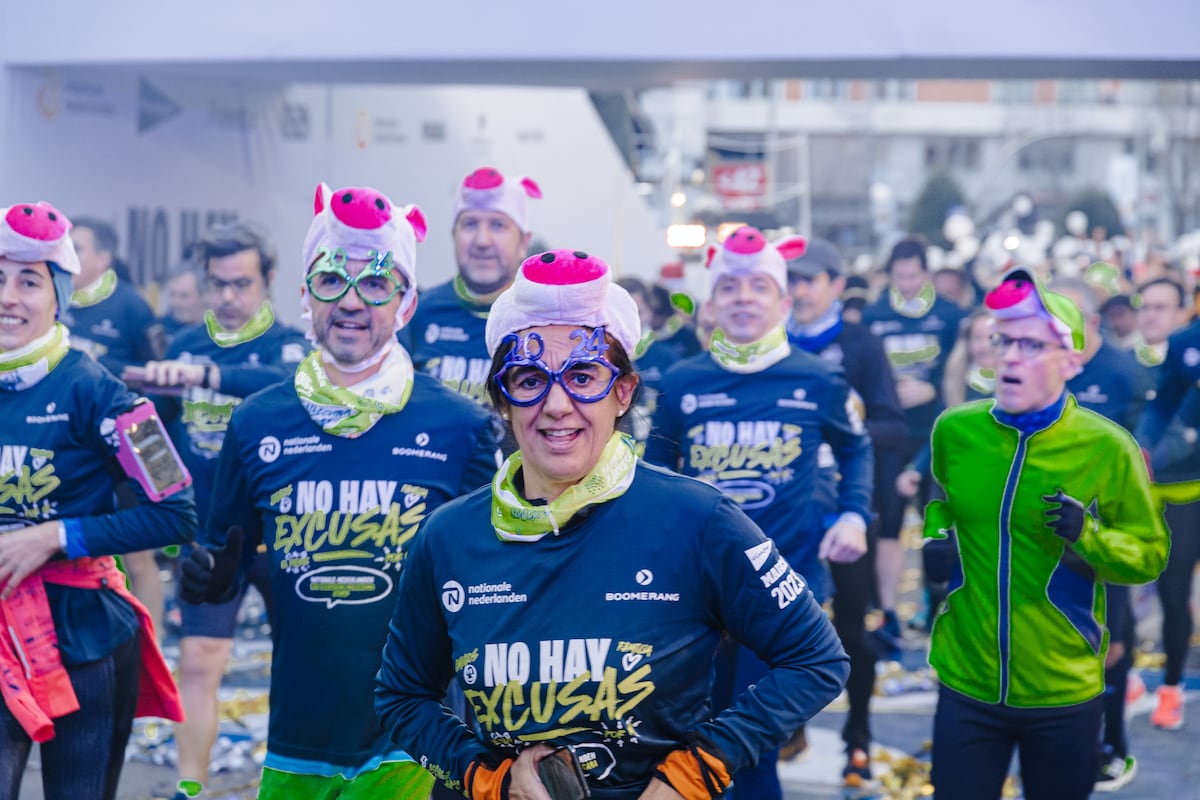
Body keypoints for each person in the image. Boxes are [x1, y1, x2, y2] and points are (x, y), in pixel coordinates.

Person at [375, 248, 850, 799]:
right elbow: (401, 696)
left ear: (622, 393)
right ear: (502, 400)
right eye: (528, 380)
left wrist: (695, 774)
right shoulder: (448, 536)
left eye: (583, 376)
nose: (556, 405)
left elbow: (817, 658)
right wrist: (491, 780)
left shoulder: (698, 519)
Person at [179, 183, 499, 799]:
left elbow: (493, 574)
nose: (351, 301)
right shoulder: (257, 421)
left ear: (406, 304)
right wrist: (213, 575)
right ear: (305, 296)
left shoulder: (458, 426)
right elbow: (227, 555)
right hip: (301, 734)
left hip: (418, 736)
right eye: (332, 281)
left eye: (377, 284)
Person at [924, 267, 1168, 800]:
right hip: (967, 683)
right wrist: (936, 536)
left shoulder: (1108, 447)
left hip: (1063, 690)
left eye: (1031, 345)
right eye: (1004, 341)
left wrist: (1088, 535)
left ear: (1072, 361)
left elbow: (1148, 556)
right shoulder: (955, 431)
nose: (1010, 356)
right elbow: (940, 498)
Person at [645, 227, 873, 796]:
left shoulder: (819, 379)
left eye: (759, 286)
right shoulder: (681, 382)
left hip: (781, 594)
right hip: (693, 598)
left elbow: (857, 445)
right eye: (729, 287)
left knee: (749, 753)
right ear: (712, 302)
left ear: (783, 302)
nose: (744, 297)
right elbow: (653, 478)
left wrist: (855, 515)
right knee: (682, 740)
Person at [0, 200, 195, 799]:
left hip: (84, 641)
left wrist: (55, 536)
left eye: (29, 281)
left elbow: (176, 512)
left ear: (60, 295)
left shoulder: (100, 393)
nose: (8, 296)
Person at [133, 221, 309, 800]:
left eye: (241, 284)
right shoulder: (184, 346)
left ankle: (283, 785)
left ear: (268, 281)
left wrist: (204, 375)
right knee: (200, 666)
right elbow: (157, 436)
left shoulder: (288, 346)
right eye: (218, 284)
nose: (229, 298)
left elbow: (285, 384)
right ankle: (190, 788)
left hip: (284, 538)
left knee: (296, 669)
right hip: (210, 538)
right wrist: (167, 495)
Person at [785, 237, 906, 778]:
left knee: (852, 630)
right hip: (785, 510)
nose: (798, 290)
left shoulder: (860, 343)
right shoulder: (769, 342)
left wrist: (839, 434)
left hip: (846, 509)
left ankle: (859, 731)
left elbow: (894, 425)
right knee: (776, 624)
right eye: (790, 279)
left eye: (809, 279)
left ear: (837, 284)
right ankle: (789, 726)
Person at [1052, 277, 1151, 792]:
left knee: (1113, 643)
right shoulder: (1040, 376)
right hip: (1046, 538)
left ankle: (1113, 746)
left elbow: (1146, 450)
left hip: (1107, 535)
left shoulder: (1124, 372)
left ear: (1089, 322)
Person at [66, 216, 168, 641]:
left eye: (80, 248)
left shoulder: (132, 305)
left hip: (127, 444)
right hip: (69, 449)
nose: (68, 256)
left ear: (105, 257)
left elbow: (163, 380)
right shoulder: (52, 298)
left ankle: (154, 645)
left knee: (140, 556)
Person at [862, 238, 961, 644]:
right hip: (890, 434)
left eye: (912, 275)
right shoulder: (875, 315)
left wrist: (933, 389)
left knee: (937, 527)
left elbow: (965, 363)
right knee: (887, 524)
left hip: (936, 432)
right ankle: (887, 612)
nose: (905, 282)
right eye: (899, 275)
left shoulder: (949, 314)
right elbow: (865, 369)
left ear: (925, 273)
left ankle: (939, 609)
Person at [404, 166, 541, 406]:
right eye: (469, 224)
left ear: (524, 242)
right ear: (453, 234)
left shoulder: (543, 316)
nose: (482, 241)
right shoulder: (418, 313)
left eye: (498, 225)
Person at [1132, 277, 1200, 734]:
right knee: (1128, 586)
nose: (1152, 315)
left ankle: (1172, 687)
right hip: (1147, 488)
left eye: (1163, 306)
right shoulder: (1182, 344)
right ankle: (1131, 674)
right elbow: (1165, 404)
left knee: (1175, 593)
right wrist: (1140, 448)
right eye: (1146, 306)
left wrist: (1167, 448)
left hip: (1188, 491)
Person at [158, 258, 207, 343]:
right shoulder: (160, 330)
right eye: (172, 294)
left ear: (204, 296)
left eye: (184, 296)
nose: (175, 303)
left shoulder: (216, 334)